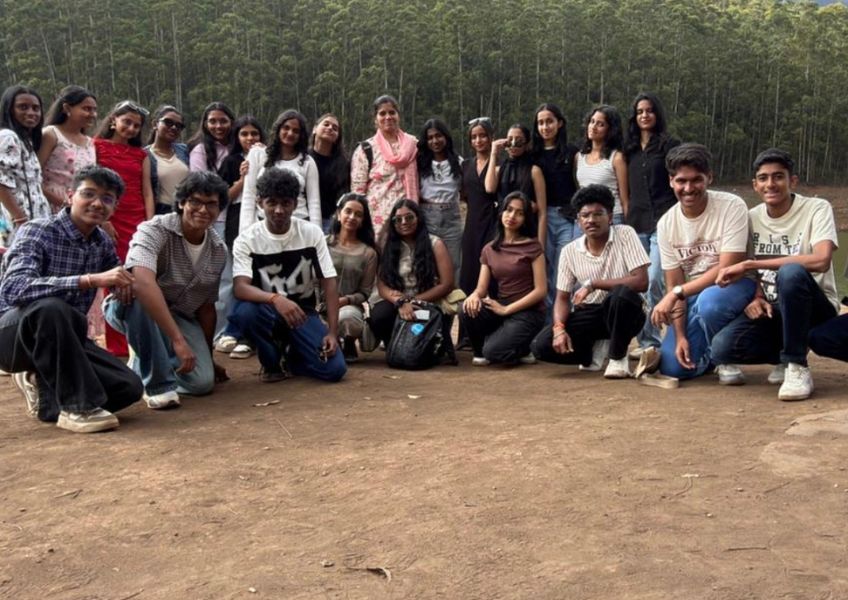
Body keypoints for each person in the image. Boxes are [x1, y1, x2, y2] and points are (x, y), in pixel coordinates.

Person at [0, 166, 142, 432]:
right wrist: (88, 279)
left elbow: (119, 275)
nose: (97, 203)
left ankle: (46, 392)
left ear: (114, 207)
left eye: (107, 199)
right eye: (88, 194)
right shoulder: (37, 231)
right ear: (69, 196)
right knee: (53, 308)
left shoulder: (101, 242)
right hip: (13, 336)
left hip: (67, 340)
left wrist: (127, 284)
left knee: (129, 387)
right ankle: (77, 409)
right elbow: (13, 289)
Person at [711, 149, 838, 401]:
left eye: (778, 176)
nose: (770, 184)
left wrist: (751, 264)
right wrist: (757, 296)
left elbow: (821, 260)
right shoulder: (751, 218)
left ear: (793, 181)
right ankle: (784, 354)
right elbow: (757, 273)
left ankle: (796, 365)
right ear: (755, 185)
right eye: (763, 178)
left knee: (791, 272)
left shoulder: (816, 208)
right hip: (774, 308)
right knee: (722, 348)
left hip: (815, 307)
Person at [103, 171, 229, 409]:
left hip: (178, 315)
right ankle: (156, 385)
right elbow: (142, 282)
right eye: (195, 201)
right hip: (134, 308)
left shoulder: (218, 249)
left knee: (202, 383)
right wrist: (177, 340)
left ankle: (146, 359)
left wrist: (208, 359)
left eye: (211, 204)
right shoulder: (154, 229)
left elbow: (206, 307)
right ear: (181, 203)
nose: (203, 210)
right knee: (136, 293)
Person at [230, 168, 346, 383]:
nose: (279, 210)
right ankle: (271, 362)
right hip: (267, 311)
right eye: (271, 203)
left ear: (295, 204)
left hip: (303, 314)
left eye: (285, 203)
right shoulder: (247, 240)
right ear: (259, 202)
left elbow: (329, 283)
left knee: (334, 369)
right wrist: (275, 299)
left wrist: (332, 332)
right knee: (245, 313)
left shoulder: (311, 233)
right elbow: (240, 287)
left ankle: (292, 357)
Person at [650, 143, 754, 381]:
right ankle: (709, 355)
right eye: (681, 181)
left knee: (711, 302)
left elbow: (727, 270)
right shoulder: (666, 224)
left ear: (709, 177)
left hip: (735, 286)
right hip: (694, 294)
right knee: (674, 368)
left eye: (696, 180)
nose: (688, 188)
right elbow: (674, 283)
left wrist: (676, 293)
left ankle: (725, 355)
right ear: (671, 181)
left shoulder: (732, 206)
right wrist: (680, 336)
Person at [531, 185, 649, 378]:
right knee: (540, 345)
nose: (591, 220)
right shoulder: (569, 251)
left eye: (598, 214)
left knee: (620, 294)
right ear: (578, 221)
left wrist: (593, 284)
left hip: (627, 311)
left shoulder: (625, 234)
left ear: (610, 217)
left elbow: (641, 281)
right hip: (592, 313)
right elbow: (562, 298)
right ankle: (590, 354)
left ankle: (618, 357)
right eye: (585, 215)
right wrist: (559, 329)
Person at [94, 100, 155, 357]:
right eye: (126, 122)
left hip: (137, 219)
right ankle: (117, 343)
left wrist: (150, 224)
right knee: (114, 276)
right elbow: (94, 184)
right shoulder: (96, 146)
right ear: (113, 121)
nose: (131, 128)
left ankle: (139, 336)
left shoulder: (141, 155)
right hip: (111, 218)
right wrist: (102, 220)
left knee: (138, 274)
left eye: (136, 126)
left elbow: (147, 191)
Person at [624, 92, 680, 358]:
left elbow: (679, 179)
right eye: (639, 112)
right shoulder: (628, 149)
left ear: (657, 114)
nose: (644, 115)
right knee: (637, 283)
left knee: (655, 279)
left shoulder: (670, 145)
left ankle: (651, 341)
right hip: (636, 223)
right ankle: (642, 339)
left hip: (664, 220)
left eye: (649, 110)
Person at [461, 191, 546, 365]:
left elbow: (541, 291)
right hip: (501, 306)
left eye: (519, 213)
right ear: (501, 212)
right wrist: (474, 296)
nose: (512, 216)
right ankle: (480, 353)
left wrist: (507, 310)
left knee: (495, 352)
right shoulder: (489, 249)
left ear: (525, 219)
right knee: (465, 308)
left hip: (528, 312)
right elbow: (481, 289)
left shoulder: (533, 247)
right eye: (509, 210)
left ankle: (523, 348)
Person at [369, 199, 457, 362]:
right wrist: (400, 302)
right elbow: (382, 286)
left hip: (429, 301)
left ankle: (427, 348)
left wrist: (413, 301)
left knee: (421, 326)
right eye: (398, 219)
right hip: (398, 301)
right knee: (379, 315)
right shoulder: (387, 245)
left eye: (409, 217)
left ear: (418, 218)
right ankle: (395, 346)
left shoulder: (435, 243)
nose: (404, 222)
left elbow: (447, 284)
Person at [214, 115, 265, 359]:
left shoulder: (269, 157)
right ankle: (228, 331)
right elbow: (223, 197)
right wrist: (244, 179)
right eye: (244, 134)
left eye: (254, 133)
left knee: (258, 277)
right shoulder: (232, 161)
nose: (250, 138)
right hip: (236, 221)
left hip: (263, 221)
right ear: (237, 137)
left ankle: (250, 333)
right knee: (236, 276)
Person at [532, 103, 580, 311]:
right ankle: (548, 322)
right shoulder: (532, 154)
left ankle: (564, 319)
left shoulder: (572, 152)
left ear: (559, 123)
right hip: (541, 219)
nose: (545, 127)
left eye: (549, 121)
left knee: (564, 269)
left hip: (566, 217)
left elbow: (579, 183)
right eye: (541, 123)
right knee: (545, 268)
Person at [350, 95, 419, 239]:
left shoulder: (413, 145)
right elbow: (358, 192)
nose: (388, 117)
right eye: (382, 113)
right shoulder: (366, 149)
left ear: (398, 116)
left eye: (392, 112)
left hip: (407, 221)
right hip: (377, 225)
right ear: (375, 119)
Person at [240, 109, 322, 230]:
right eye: (286, 128)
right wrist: (245, 231)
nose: (290, 133)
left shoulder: (307, 162)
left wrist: (317, 234)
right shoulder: (257, 155)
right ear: (278, 129)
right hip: (264, 226)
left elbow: (314, 203)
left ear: (301, 135)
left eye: (296, 131)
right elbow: (249, 196)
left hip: (299, 225)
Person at [325, 192, 379, 362]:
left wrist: (344, 300)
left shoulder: (368, 253)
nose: (352, 217)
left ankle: (348, 340)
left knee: (348, 319)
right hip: (319, 305)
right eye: (348, 211)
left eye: (358, 214)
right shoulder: (323, 244)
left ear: (363, 221)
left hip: (348, 307)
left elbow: (365, 292)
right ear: (338, 214)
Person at [0, 85, 50, 244]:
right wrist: (20, 218)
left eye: (36, 108)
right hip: (17, 225)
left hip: (32, 222)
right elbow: (1, 181)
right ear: (9, 110)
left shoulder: (26, 141)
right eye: (23, 107)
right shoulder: (8, 137)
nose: (31, 112)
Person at [484, 123, 547, 246]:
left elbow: (542, 212)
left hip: (526, 229)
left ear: (527, 143)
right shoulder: (499, 169)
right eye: (510, 139)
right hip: (502, 229)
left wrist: (541, 246)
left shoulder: (534, 171)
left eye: (519, 140)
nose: (513, 143)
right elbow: (489, 188)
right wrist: (493, 153)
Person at [38, 85, 98, 213]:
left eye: (94, 110)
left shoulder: (90, 142)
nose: (93, 114)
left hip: (79, 210)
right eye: (87, 109)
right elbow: (33, 176)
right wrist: (64, 204)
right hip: (50, 208)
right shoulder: (51, 134)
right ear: (67, 108)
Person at [417, 118, 463, 282]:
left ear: (446, 137)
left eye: (438, 136)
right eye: (430, 137)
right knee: (429, 261)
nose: (435, 141)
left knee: (454, 262)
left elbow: (464, 191)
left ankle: (454, 296)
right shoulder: (419, 163)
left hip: (451, 217)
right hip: (428, 216)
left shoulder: (458, 162)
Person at [459, 117, 498, 298]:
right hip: (472, 222)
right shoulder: (466, 165)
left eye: (482, 135)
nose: (478, 140)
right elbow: (463, 194)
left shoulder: (500, 164)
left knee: (491, 266)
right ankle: (469, 308)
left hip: (492, 222)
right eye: (474, 137)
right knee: (470, 268)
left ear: (490, 137)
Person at [576, 105, 629, 224]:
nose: (593, 127)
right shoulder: (579, 157)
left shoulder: (617, 158)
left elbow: (624, 199)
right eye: (592, 121)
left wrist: (628, 226)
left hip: (612, 217)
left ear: (610, 130)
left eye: (600, 124)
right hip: (585, 218)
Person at [145, 105, 190, 214]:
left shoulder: (185, 150)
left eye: (179, 125)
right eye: (168, 122)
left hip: (185, 210)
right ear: (155, 124)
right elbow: (146, 193)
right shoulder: (144, 155)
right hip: (160, 212)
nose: (174, 127)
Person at [310, 113, 350, 233]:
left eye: (335, 128)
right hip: (304, 216)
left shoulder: (343, 164)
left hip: (329, 221)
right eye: (326, 124)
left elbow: (344, 194)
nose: (330, 128)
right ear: (314, 129)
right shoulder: (303, 157)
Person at [188, 101, 234, 173]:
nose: (218, 126)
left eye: (223, 121)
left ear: (231, 123)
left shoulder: (239, 145)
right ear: (206, 125)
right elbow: (199, 179)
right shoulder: (200, 151)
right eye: (213, 121)